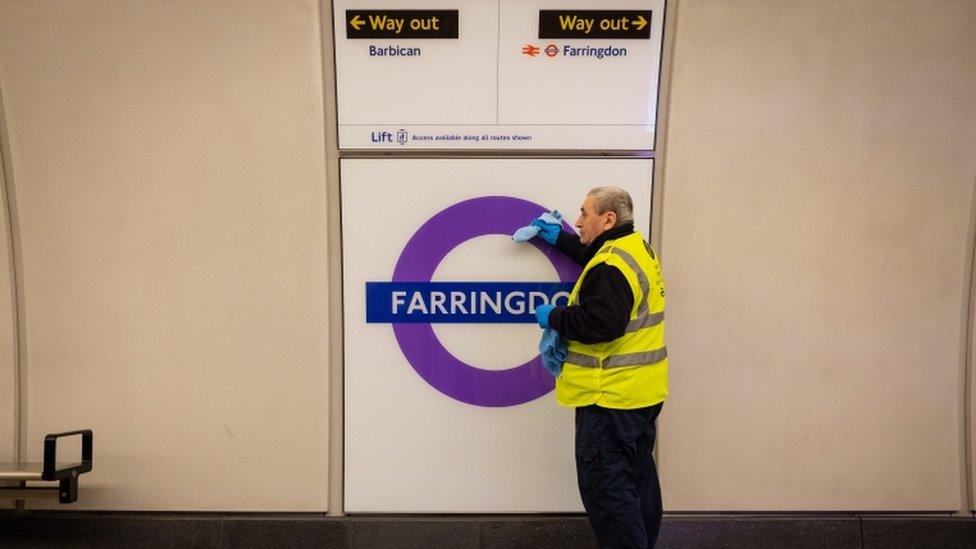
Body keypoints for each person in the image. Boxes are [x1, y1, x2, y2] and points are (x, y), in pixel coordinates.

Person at [529, 187, 668, 549]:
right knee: (637, 485)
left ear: (608, 220)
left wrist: (554, 316)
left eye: (584, 213)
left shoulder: (610, 265)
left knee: (608, 493)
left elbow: (600, 323)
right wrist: (560, 240)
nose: (577, 221)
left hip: (608, 397)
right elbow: (597, 262)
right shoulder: (633, 248)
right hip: (639, 393)